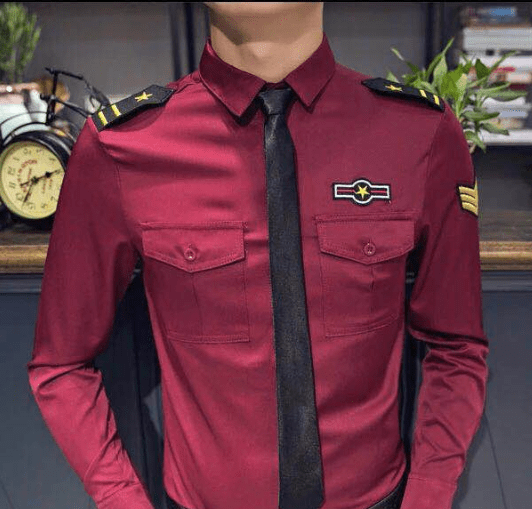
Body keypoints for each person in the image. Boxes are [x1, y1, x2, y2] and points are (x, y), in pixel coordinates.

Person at [27, 3, 489, 509]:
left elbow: (458, 346)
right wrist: (121, 498)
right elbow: (60, 363)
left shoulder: (417, 133)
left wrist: (428, 496)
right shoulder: (123, 146)